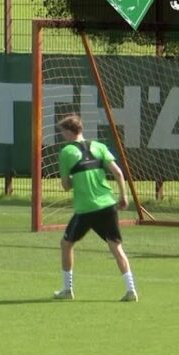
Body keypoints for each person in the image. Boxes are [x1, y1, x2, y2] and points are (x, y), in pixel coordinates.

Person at [54, 115, 138, 302]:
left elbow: (66, 185)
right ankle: (131, 290)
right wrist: (124, 196)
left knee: (66, 244)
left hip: (86, 209)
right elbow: (118, 172)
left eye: (63, 132)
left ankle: (67, 289)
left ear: (69, 132)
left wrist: (78, 178)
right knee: (116, 247)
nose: (63, 136)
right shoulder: (99, 147)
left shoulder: (67, 152)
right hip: (108, 205)